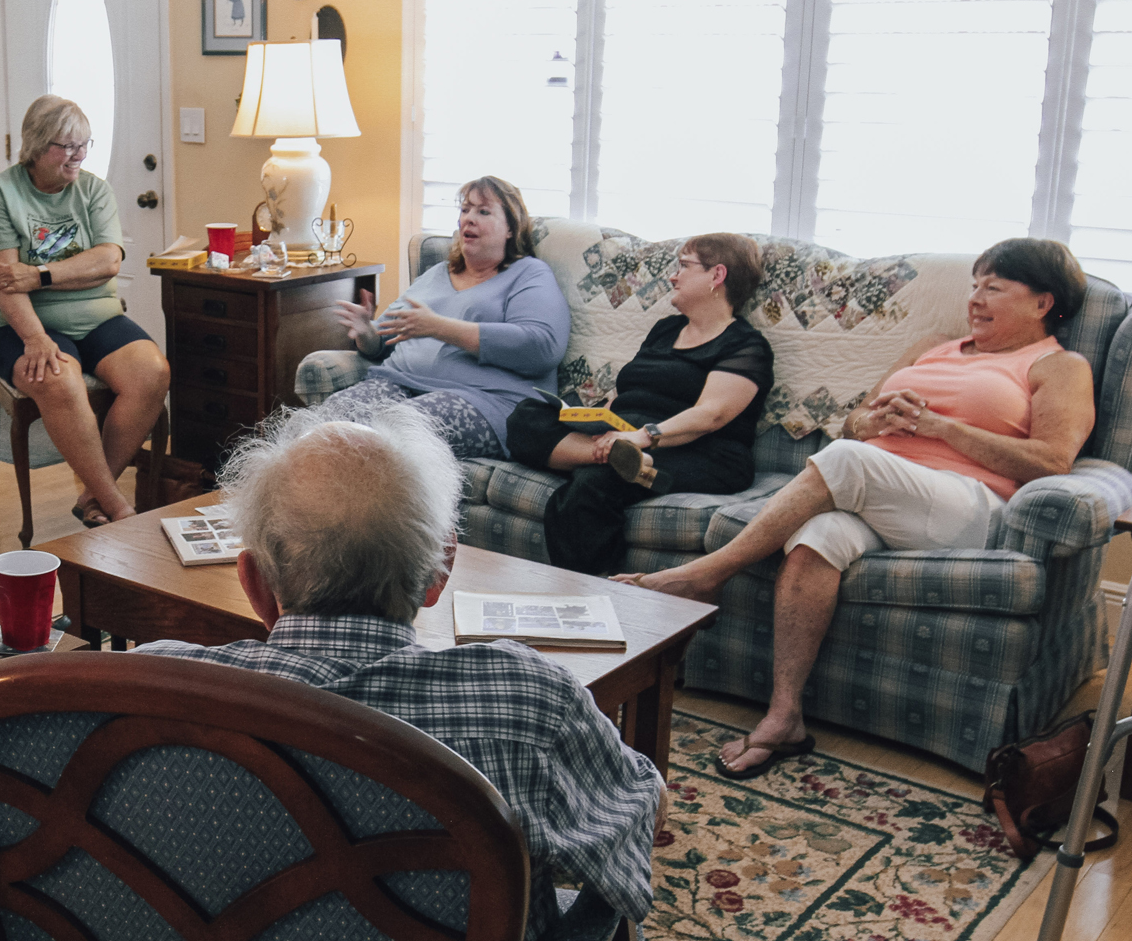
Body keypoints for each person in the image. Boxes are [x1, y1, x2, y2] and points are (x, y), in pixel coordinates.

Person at [134, 405, 664, 941]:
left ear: (253, 583)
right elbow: (640, 817)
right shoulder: (530, 699)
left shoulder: (145, 686)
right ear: (439, 571)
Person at [620, 238, 1094, 780]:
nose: (975, 298)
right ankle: (784, 717)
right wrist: (871, 423)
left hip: (966, 504)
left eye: (995, 288)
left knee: (847, 460)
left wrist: (940, 428)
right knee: (816, 538)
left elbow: (1052, 460)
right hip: (879, 491)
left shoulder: (1058, 365)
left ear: (1042, 303)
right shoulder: (933, 346)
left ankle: (705, 575)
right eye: (974, 285)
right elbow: (854, 422)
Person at [500, 233, 773, 577]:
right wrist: (596, 421)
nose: (673, 276)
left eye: (684, 266)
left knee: (590, 486)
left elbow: (711, 415)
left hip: (701, 451)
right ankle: (617, 456)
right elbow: (628, 391)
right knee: (526, 417)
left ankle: (596, 593)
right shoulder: (665, 330)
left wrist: (643, 437)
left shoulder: (746, 345)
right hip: (627, 435)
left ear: (717, 275)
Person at [0, 94, 171, 527]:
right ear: (36, 146)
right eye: (67, 146)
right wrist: (35, 337)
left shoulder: (94, 190)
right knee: (59, 378)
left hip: (97, 316)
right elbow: (5, 284)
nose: (78, 155)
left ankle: (93, 497)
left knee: (152, 372)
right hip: (18, 325)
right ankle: (117, 507)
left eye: (84, 144)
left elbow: (108, 262)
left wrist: (39, 275)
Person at [322, 176, 569, 459]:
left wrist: (439, 327)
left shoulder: (528, 274)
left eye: (483, 211)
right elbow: (383, 342)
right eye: (465, 210)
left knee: (395, 430)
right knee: (326, 422)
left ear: (511, 228)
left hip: (486, 400)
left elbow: (543, 347)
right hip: (399, 382)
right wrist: (366, 330)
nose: (469, 219)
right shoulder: (437, 273)